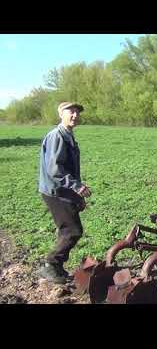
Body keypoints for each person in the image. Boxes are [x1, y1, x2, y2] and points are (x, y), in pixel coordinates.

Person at [37, 102, 92, 284]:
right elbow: (55, 170)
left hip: (62, 190)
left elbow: (67, 169)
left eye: (77, 112)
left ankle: (56, 267)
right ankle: (50, 265)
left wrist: (77, 198)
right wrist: (77, 187)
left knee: (69, 229)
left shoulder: (67, 135)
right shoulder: (57, 136)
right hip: (55, 191)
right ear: (61, 113)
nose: (75, 115)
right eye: (71, 111)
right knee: (72, 230)